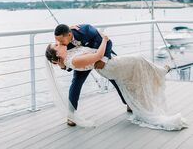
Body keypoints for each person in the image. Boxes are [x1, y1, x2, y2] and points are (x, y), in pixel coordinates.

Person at [45, 32, 187, 130]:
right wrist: (105, 39)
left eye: (59, 41)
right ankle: (160, 71)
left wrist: (61, 64)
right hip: (103, 64)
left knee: (128, 74)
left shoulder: (73, 42)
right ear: (57, 54)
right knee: (137, 61)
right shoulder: (70, 56)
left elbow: (65, 60)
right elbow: (98, 55)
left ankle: (133, 99)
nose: (58, 42)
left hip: (104, 63)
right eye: (56, 44)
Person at [50, 24, 130, 127]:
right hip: (83, 61)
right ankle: (71, 115)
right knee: (76, 83)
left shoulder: (87, 30)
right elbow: (70, 63)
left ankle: (128, 103)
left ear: (69, 34)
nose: (59, 44)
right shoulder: (64, 44)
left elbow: (108, 41)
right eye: (57, 41)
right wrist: (62, 66)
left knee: (114, 78)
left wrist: (104, 59)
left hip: (100, 56)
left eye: (61, 41)